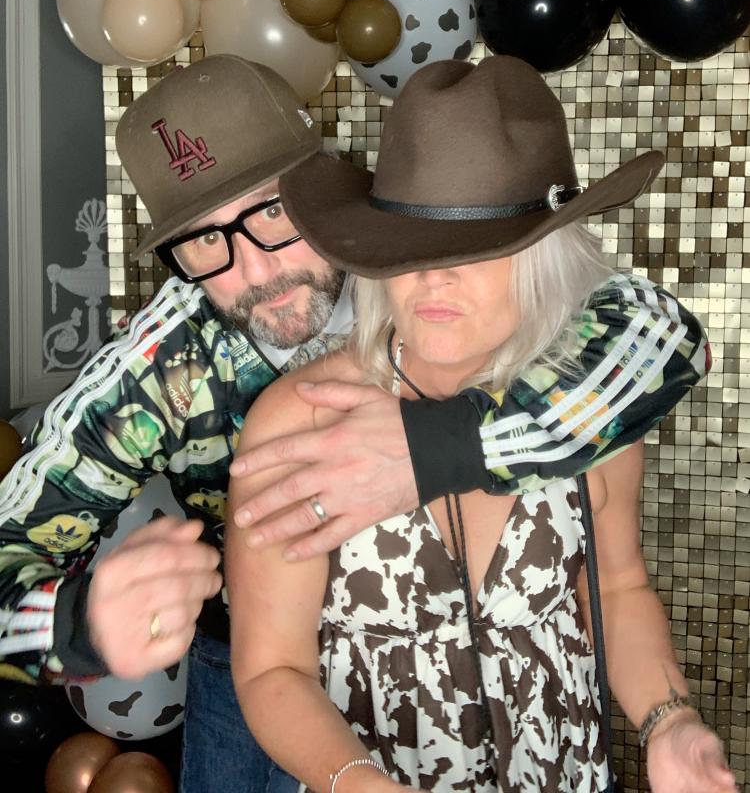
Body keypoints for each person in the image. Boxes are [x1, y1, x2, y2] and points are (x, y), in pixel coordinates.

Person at [0, 55, 707, 793]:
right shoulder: (158, 370)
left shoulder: (441, 229)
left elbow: (670, 340)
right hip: (246, 657)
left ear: (325, 190)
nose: (255, 274)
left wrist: (436, 449)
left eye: (271, 211)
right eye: (204, 241)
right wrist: (74, 625)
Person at [226, 56, 735, 793]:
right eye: (411, 247)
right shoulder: (300, 421)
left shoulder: (586, 409)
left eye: (478, 249)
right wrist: (361, 785)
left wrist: (669, 720)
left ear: (541, 256)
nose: (434, 277)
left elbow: (618, 592)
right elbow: (272, 668)